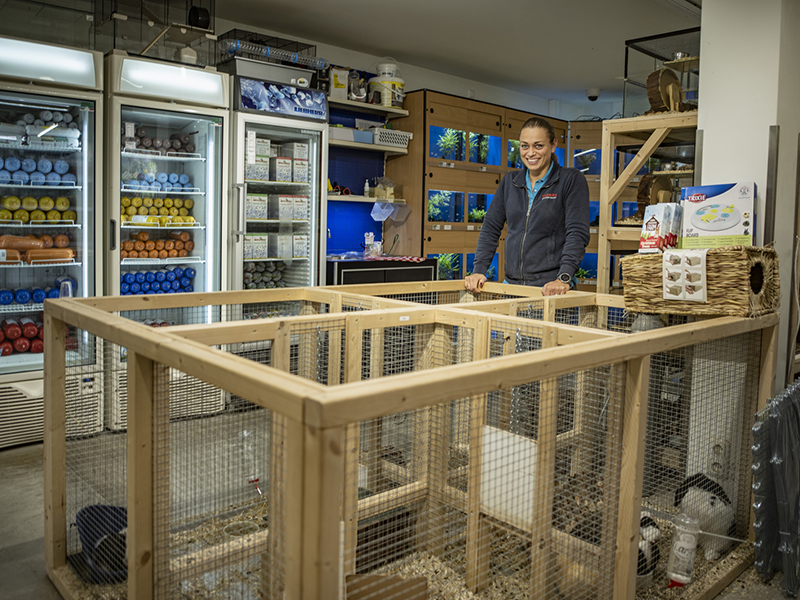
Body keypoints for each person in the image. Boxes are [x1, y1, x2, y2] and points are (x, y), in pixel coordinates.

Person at [464, 117, 590, 296]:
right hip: (512, 288)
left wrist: (563, 278)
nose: (530, 153)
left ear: (553, 145)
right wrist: (479, 270)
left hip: (551, 289)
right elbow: (490, 228)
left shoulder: (570, 180)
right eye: (525, 146)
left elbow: (577, 233)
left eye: (538, 146)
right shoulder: (510, 182)